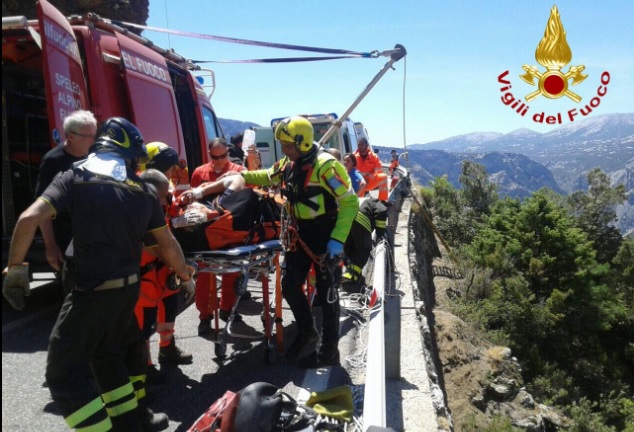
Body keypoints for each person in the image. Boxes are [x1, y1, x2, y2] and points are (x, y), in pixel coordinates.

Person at [2, 117, 193, 431]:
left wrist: (16, 271)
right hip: (126, 292)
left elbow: (28, 219)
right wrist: (186, 278)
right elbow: (167, 244)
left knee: (63, 376)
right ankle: (133, 422)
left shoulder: (74, 176)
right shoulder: (143, 190)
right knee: (107, 355)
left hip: (90, 292)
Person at [240, 116, 359, 368]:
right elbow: (268, 175)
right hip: (300, 232)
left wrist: (337, 241)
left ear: (302, 143)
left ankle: (329, 352)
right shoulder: (288, 163)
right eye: (282, 145)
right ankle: (307, 331)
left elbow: (349, 203)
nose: (283, 150)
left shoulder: (326, 166)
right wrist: (243, 176)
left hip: (326, 233)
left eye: (287, 145)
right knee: (291, 285)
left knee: (327, 296)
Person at [136, 146, 193, 372]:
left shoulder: (160, 185)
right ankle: (145, 366)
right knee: (144, 319)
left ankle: (167, 348)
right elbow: (154, 240)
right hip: (149, 264)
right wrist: (181, 269)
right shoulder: (141, 190)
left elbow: (168, 218)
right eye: (170, 168)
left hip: (164, 263)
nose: (173, 173)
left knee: (169, 306)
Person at [188, 137, 248, 336]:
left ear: (228, 153)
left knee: (233, 272)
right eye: (215, 157)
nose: (219, 161)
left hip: (230, 231)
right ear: (210, 154)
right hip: (206, 232)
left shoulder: (238, 172)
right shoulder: (200, 173)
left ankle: (227, 308)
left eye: (222, 156)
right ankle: (204, 316)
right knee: (205, 274)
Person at [35, 110, 98, 274]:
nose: (93, 140)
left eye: (94, 135)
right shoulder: (53, 161)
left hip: (93, 235)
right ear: (71, 137)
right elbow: (42, 208)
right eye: (88, 136)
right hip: (66, 235)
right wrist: (50, 245)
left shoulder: (94, 157)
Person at [342, 196, 388, 291]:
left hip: (346, 217)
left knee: (351, 248)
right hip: (360, 217)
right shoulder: (380, 203)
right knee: (364, 250)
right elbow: (381, 212)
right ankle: (350, 280)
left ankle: (351, 276)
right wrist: (380, 233)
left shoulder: (366, 199)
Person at [353, 137, 388, 201]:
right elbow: (350, 171)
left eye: (362, 145)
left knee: (383, 177)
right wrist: (361, 179)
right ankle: (358, 204)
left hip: (369, 181)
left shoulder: (374, 157)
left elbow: (378, 170)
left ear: (366, 145)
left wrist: (370, 177)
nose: (360, 147)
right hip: (358, 182)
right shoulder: (353, 156)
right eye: (359, 145)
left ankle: (382, 201)